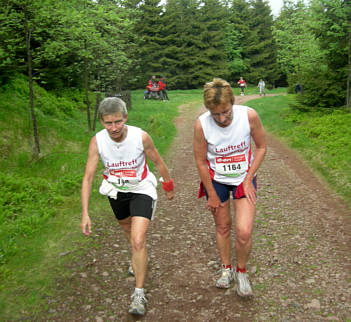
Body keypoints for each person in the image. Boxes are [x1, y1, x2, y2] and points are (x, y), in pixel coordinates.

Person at [81, 97, 175, 315]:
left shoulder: (140, 137)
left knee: (138, 238)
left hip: (141, 189)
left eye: (118, 122)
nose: (114, 128)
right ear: (102, 122)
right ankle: (136, 257)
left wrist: (168, 186)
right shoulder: (97, 142)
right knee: (129, 233)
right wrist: (85, 213)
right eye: (108, 123)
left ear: (125, 118)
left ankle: (139, 294)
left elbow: (158, 162)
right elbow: (88, 177)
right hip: (116, 192)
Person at [193, 78, 266, 297]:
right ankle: (226, 270)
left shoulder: (248, 116)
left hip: (244, 178)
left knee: (243, 232)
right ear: (208, 110)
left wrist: (249, 178)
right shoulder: (202, 124)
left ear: (233, 103)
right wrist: (212, 194)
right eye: (216, 114)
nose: (222, 118)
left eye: (226, 112)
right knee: (223, 227)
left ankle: (241, 272)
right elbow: (201, 161)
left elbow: (262, 147)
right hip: (217, 181)